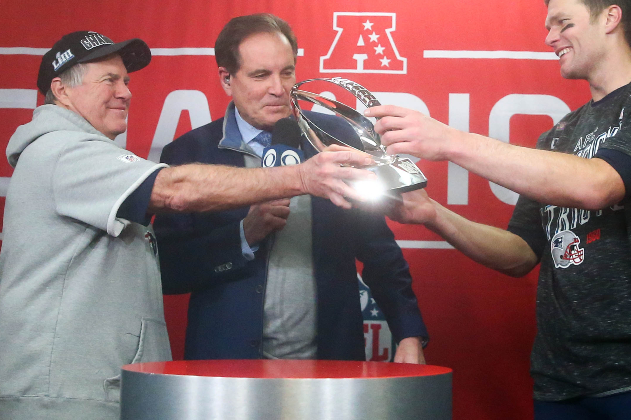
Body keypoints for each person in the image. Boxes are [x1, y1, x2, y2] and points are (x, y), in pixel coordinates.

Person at [366, 0, 631, 420]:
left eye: (563, 23)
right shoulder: (559, 135)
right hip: (562, 383)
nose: (549, 37)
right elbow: (521, 252)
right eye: (548, 26)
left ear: (610, 17)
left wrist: (450, 141)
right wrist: (433, 214)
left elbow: (600, 184)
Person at [0, 30, 374, 420]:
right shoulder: (63, 151)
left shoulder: (81, 153)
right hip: (63, 409)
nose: (125, 93)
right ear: (62, 90)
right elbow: (176, 189)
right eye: (109, 80)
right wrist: (301, 176)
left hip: (85, 401)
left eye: (126, 81)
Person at [153, 14, 428, 363]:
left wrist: (408, 333)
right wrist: (243, 236)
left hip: (329, 368)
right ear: (226, 79)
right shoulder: (189, 154)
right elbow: (168, 271)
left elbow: (377, 247)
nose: (278, 89)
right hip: (226, 371)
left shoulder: (336, 139)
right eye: (260, 75)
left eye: (286, 72)